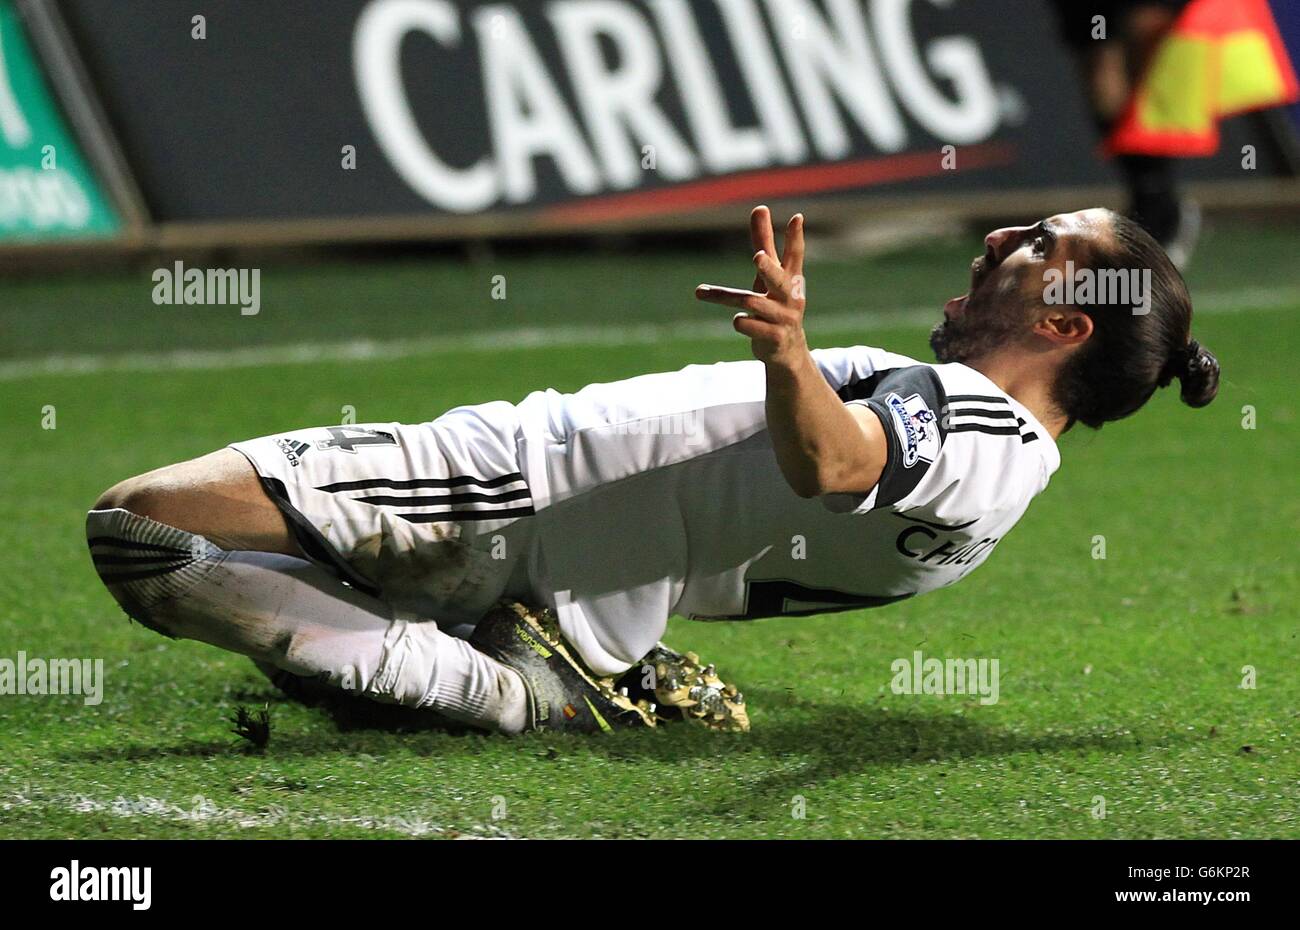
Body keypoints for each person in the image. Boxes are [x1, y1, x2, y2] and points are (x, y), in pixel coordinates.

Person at [86, 206, 1219, 734]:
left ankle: (497, 691)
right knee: (202, 560)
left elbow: (832, 462)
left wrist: (784, 350)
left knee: (135, 525)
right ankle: (481, 658)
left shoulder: (968, 422)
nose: (1000, 238)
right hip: (574, 566)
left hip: (521, 480)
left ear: (1070, 330)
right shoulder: (997, 496)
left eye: (1039, 249)